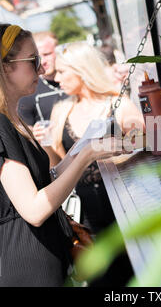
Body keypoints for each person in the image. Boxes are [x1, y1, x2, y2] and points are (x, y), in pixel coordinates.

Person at [0, 23, 126, 287]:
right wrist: (87, 154)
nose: (42, 68)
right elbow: (34, 209)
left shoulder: (7, 118)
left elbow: (44, 180)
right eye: (34, 60)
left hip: (45, 256)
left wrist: (80, 152)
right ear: (5, 66)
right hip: (32, 266)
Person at [33, 41, 144, 286]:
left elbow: (142, 145)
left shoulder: (118, 104)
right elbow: (57, 168)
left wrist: (130, 134)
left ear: (81, 70)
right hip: (89, 217)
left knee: (139, 273)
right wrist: (47, 146)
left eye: (62, 71)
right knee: (104, 279)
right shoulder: (61, 111)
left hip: (126, 207)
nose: (56, 77)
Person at [17, 31, 67, 127]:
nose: (42, 61)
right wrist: (35, 135)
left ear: (58, 51)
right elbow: (26, 130)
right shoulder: (28, 91)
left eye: (47, 54)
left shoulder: (77, 80)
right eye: (37, 57)